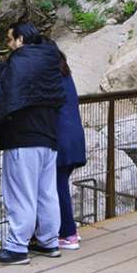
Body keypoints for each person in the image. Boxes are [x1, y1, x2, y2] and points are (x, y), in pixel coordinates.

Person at [0, 21, 72, 263]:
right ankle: (48, 242)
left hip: (22, 139)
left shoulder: (20, 62)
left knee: (21, 194)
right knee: (47, 193)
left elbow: (6, 97)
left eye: (10, 39)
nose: (8, 44)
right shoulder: (49, 60)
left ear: (21, 40)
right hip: (48, 136)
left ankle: (16, 248)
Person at [53, 71, 88, 251]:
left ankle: (68, 233)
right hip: (74, 135)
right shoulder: (65, 72)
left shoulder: (50, 73)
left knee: (58, 187)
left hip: (61, 138)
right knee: (60, 185)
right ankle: (67, 228)